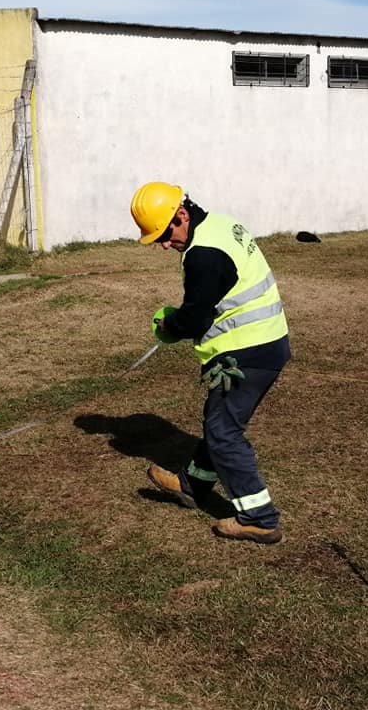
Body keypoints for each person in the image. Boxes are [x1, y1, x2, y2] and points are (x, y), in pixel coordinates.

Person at [130, 181, 291, 545]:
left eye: (164, 235)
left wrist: (170, 326)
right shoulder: (219, 224)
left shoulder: (203, 254)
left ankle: (260, 518)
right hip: (267, 341)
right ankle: (192, 484)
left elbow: (195, 318)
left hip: (248, 351)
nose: (163, 245)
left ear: (181, 215)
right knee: (219, 418)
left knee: (223, 432)